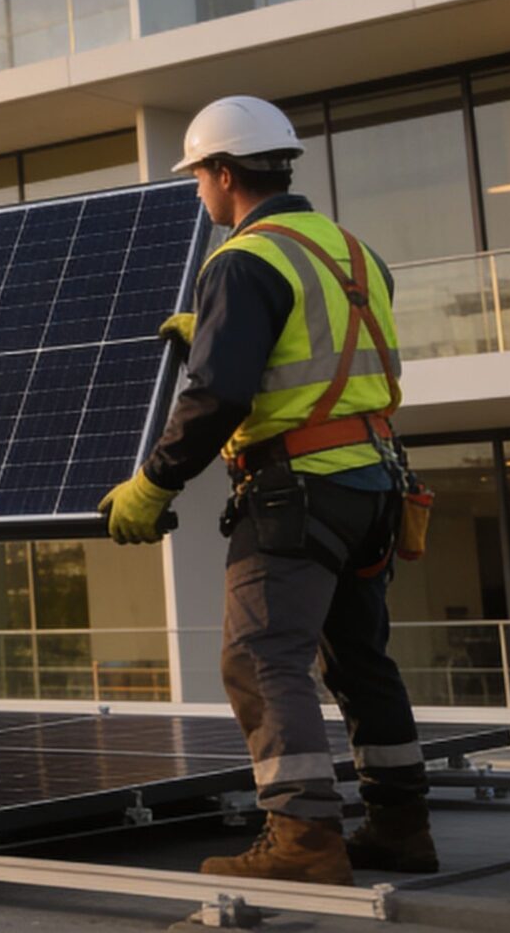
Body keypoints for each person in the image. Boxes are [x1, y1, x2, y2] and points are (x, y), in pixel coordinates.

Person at [100, 96, 431, 885]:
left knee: (260, 656)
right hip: (376, 486)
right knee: (360, 660)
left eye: (198, 178)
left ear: (223, 172)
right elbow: (320, 351)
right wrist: (218, 327)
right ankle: (401, 825)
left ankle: (303, 843)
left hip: (297, 490)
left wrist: (154, 482)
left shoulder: (243, 260)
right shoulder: (353, 251)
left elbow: (219, 396)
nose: (198, 195)